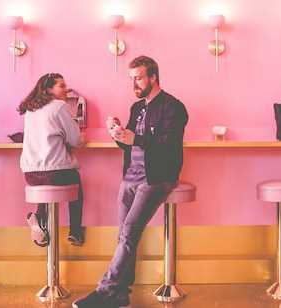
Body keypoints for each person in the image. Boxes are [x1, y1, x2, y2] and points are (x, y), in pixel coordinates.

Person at [72, 55, 189, 308]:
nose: (134, 83)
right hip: (130, 176)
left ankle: (105, 292)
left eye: (138, 77)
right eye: (131, 78)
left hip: (157, 177)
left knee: (128, 233)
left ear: (153, 77)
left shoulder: (174, 107)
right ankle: (121, 294)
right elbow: (129, 143)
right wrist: (117, 133)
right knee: (124, 236)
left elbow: (168, 146)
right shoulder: (137, 108)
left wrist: (134, 138)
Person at [18, 73, 86, 247]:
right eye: (61, 86)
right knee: (74, 182)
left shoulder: (31, 110)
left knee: (46, 186)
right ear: (48, 89)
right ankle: (75, 232)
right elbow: (76, 140)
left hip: (31, 173)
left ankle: (39, 218)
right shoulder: (59, 106)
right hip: (55, 171)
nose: (66, 89)